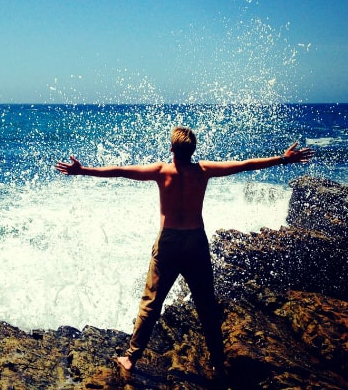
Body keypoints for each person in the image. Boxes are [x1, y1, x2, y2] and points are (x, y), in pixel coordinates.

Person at [55, 126, 314, 373]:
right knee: (206, 306)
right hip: (195, 242)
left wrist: (83, 171)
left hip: (168, 242)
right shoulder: (203, 170)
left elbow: (121, 171)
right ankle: (218, 363)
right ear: (192, 149)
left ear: (172, 148)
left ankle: (131, 358)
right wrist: (283, 159)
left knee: (151, 303)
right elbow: (245, 165)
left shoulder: (161, 171)